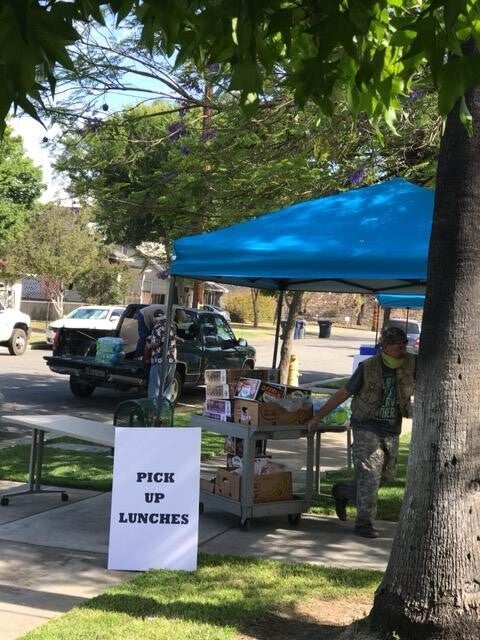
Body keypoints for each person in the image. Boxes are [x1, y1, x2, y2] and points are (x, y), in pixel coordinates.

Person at [305, 326, 415, 538]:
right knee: (370, 476)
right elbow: (344, 392)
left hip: (391, 429)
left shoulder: (411, 363)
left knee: (385, 476)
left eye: (404, 344)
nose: (402, 349)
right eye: (397, 345)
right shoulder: (368, 367)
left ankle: (343, 492)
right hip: (366, 426)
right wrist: (317, 417)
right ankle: (364, 524)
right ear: (385, 347)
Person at [146, 309, 177, 399]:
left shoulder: (158, 326)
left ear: (155, 318)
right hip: (172, 360)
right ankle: (165, 406)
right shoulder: (171, 325)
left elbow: (155, 343)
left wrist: (148, 345)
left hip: (160, 360)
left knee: (155, 387)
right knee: (167, 388)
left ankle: (154, 406)